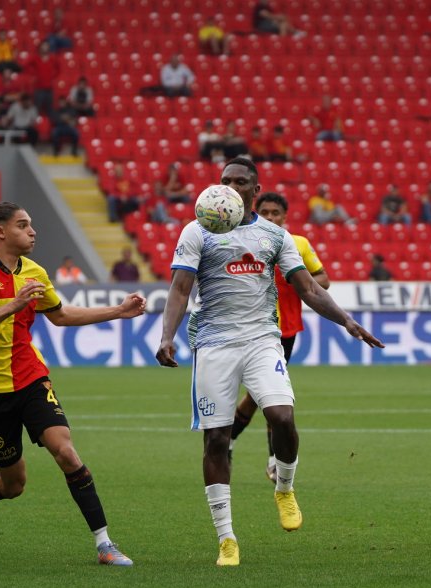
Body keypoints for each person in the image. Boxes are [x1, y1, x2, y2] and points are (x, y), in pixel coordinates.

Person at [155, 157, 383, 566]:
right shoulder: (197, 231)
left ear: (255, 191)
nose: (230, 187)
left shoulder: (274, 234)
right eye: (224, 180)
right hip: (213, 346)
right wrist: (166, 337)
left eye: (239, 182)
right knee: (217, 440)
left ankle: (284, 487)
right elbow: (180, 288)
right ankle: (227, 539)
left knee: (282, 416)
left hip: (262, 340)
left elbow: (309, 288)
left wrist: (348, 321)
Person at [0, 201, 145, 566]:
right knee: (14, 484)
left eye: (31, 224)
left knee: (67, 452)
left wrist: (118, 312)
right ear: (0, 231)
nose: (32, 231)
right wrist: (11, 305)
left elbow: (60, 315)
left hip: (31, 378)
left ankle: (104, 544)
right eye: (23, 225)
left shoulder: (35, 273)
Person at [229, 191, 330, 482]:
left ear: (285, 216)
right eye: (266, 212)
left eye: (276, 213)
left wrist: (294, 275)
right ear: (256, 212)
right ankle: (272, 460)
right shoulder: (245, 241)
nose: (271, 217)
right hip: (251, 329)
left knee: (262, 396)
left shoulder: (296, 244)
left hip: (285, 332)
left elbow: (323, 279)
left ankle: (232, 442)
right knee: (268, 395)